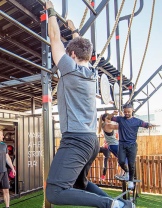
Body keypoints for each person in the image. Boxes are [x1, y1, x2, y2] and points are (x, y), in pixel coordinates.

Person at [44, 1, 134, 207]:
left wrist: (49, 9)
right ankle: (121, 205)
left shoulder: (70, 68)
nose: (66, 57)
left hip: (75, 140)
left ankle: (110, 205)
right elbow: (82, 46)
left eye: (69, 54)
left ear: (72, 56)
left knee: (55, 192)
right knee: (80, 184)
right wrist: (74, 30)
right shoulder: (92, 72)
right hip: (91, 142)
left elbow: (55, 37)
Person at [108, 104, 156, 189]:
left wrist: (149, 125)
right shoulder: (120, 119)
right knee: (121, 161)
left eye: (128, 112)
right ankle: (126, 172)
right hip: (122, 144)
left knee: (131, 163)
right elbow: (109, 118)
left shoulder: (137, 121)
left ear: (132, 111)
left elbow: (145, 124)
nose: (126, 113)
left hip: (132, 145)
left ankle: (130, 181)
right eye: (125, 112)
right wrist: (113, 113)